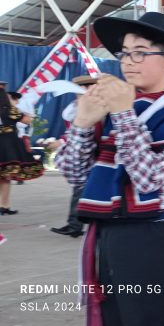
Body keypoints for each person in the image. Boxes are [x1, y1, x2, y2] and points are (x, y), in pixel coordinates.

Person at [55, 12, 164, 326]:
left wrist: (121, 113)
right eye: (124, 53)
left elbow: (148, 180)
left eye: (140, 52)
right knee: (116, 320)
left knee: (152, 321)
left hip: (156, 233)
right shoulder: (121, 103)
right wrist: (82, 122)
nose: (128, 62)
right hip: (110, 231)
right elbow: (76, 176)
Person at [50, 75, 99, 238]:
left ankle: (76, 225)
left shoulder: (97, 108)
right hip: (80, 157)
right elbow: (73, 132)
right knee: (79, 190)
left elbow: (91, 134)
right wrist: (63, 141)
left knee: (82, 190)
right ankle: (75, 224)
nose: (78, 96)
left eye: (81, 92)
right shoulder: (74, 109)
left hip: (94, 157)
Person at [0, 82, 44, 215]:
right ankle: (4, 205)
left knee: (3, 177)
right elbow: (27, 120)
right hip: (8, 144)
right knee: (5, 176)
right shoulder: (9, 109)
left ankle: (4, 206)